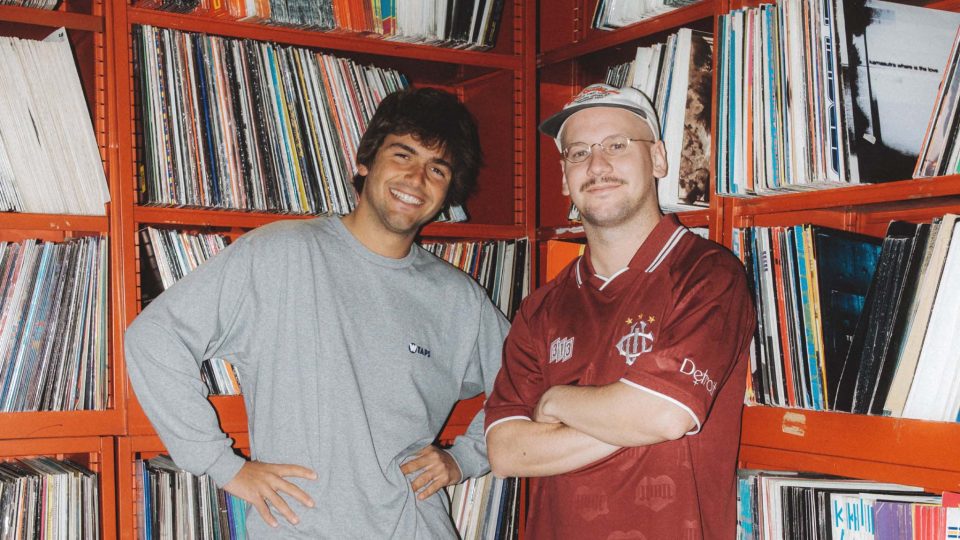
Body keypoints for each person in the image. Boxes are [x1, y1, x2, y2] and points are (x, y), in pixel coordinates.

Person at [125, 87, 510, 538]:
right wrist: (221, 464)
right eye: (402, 154)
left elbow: (528, 379)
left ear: (447, 192)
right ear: (365, 162)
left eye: (437, 168)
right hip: (300, 528)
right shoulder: (280, 253)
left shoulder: (458, 298)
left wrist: (464, 459)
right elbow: (155, 337)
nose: (416, 177)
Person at [484, 83, 755, 539]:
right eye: (579, 153)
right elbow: (506, 452)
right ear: (564, 176)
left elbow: (664, 416)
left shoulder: (708, 275)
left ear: (658, 159)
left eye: (617, 145)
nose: (597, 165)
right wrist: (632, 416)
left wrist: (554, 401)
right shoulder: (541, 308)